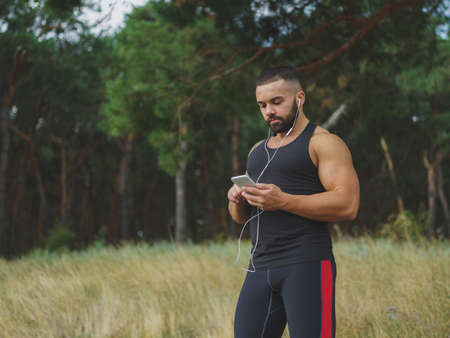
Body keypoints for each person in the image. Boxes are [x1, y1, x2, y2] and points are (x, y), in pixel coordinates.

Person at [227, 66, 360, 338]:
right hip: (259, 266)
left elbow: (348, 204)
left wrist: (284, 201)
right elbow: (241, 218)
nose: (268, 111)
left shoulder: (324, 143)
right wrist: (237, 198)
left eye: (277, 102)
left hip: (307, 264)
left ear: (299, 98)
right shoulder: (256, 152)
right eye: (262, 105)